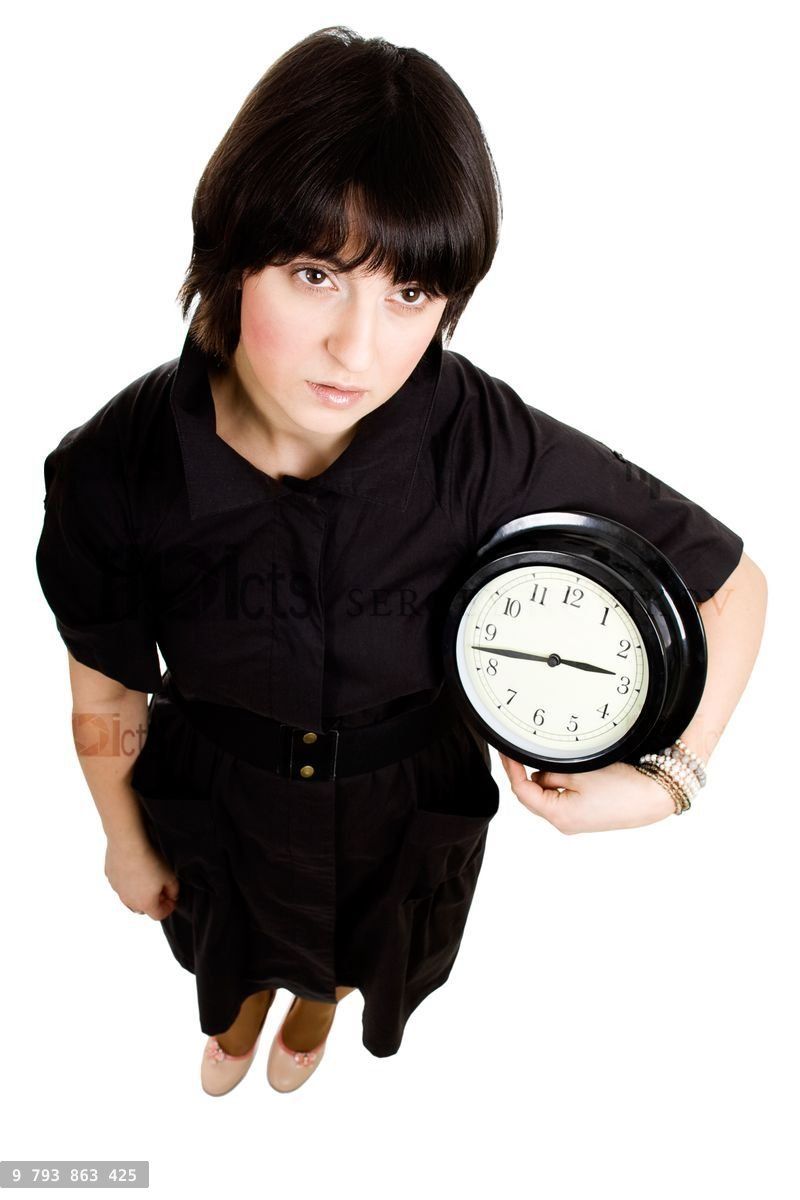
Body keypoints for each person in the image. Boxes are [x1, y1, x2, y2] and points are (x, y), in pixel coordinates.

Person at [34, 26, 767, 1097]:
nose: (360, 349)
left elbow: (730, 583)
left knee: (353, 956)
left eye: (410, 294)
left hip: (401, 809)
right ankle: (239, 1019)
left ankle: (319, 1013)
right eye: (315, 273)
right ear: (233, 253)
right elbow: (106, 676)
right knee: (222, 952)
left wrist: (667, 782)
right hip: (219, 801)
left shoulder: (476, 436)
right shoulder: (113, 468)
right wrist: (122, 837)